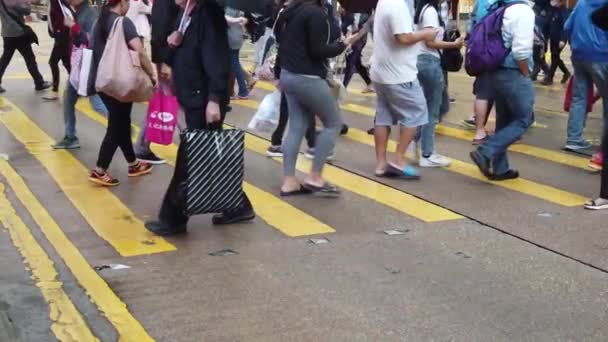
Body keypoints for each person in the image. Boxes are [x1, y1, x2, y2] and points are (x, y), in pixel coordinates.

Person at [145, 0, 256, 235]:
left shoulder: (209, 16)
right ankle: (239, 205)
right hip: (191, 95)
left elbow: (217, 60)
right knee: (208, 154)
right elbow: (181, 50)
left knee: (189, 156)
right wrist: (172, 46)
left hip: (204, 99)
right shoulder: (186, 13)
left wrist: (215, 99)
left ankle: (173, 217)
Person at [275, 0, 358, 196]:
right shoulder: (316, 14)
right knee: (333, 123)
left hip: (288, 74)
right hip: (308, 77)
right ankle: (315, 176)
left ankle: (289, 181)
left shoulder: (290, 10)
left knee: (296, 126)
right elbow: (318, 51)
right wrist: (342, 45)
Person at [88, 0, 155, 186]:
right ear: (122, 3)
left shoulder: (99, 21)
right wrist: (151, 74)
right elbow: (140, 51)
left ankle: (133, 163)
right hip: (120, 81)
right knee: (117, 126)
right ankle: (100, 169)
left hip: (102, 81)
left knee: (122, 121)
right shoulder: (123, 22)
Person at [470, 0, 535, 181]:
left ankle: (500, 168)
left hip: (495, 71)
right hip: (513, 71)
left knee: (504, 120)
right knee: (524, 119)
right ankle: (485, 151)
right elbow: (521, 51)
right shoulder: (523, 11)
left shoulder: (500, 7)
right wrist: (525, 74)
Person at [371, 0, 437, 179]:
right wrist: (426, 33)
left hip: (380, 72)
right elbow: (403, 38)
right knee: (417, 111)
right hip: (399, 74)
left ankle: (380, 164)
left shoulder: (384, 2)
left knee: (383, 116)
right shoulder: (397, 5)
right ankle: (398, 159)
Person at [563, 0, 608, 209]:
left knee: (579, 97)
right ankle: (602, 152)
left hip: (579, 53)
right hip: (602, 55)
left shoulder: (581, 3)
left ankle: (573, 138)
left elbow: (567, 27)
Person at [52, 0, 109, 150]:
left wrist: (73, 26)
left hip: (88, 68)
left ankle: (120, 125)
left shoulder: (89, 14)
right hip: (80, 68)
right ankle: (70, 136)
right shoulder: (78, 11)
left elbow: (92, 40)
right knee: (68, 99)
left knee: (97, 104)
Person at [414, 0, 464, 168]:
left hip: (425, 62)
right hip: (429, 62)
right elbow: (430, 42)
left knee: (440, 106)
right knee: (433, 110)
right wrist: (454, 45)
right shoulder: (430, 12)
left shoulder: (427, 10)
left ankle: (414, 141)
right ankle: (427, 154)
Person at [0, 0, 50, 93]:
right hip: (19, 33)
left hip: (7, 33)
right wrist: (27, 2)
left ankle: (39, 81)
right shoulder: (15, 1)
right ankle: (39, 83)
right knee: (30, 58)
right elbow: (27, 11)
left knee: (5, 59)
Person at [463, 0, 494, 145]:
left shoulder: (481, 2)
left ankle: (479, 129)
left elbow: (471, 22)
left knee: (482, 91)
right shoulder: (504, 4)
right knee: (501, 92)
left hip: (479, 49)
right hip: (496, 51)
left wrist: (470, 39)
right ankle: (501, 130)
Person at [44, 0, 73, 100]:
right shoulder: (56, 2)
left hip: (61, 38)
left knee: (53, 62)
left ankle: (55, 90)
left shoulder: (56, 3)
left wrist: (57, 35)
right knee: (67, 63)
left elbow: (60, 20)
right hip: (62, 37)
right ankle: (77, 86)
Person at [340, 10, 373, 93]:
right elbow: (344, 23)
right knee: (356, 62)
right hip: (349, 37)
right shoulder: (348, 8)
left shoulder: (366, 10)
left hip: (360, 38)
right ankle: (369, 82)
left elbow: (365, 25)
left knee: (351, 61)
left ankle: (343, 88)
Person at [541, 0, 570, 85]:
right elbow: (548, 23)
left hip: (560, 39)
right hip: (553, 38)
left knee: (554, 56)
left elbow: (566, 26)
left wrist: (563, 39)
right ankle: (566, 72)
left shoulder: (564, 12)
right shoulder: (552, 10)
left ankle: (549, 78)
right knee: (555, 56)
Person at [225, 7, 250, 99]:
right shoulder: (238, 4)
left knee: (234, 64)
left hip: (232, 37)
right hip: (237, 35)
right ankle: (242, 88)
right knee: (233, 63)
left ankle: (243, 90)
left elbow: (227, 19)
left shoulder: (232, 5)